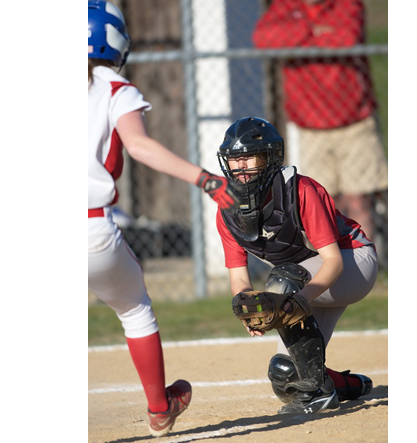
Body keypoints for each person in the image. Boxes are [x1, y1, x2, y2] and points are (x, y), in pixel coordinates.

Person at [88, 1, 239, 437]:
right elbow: (140, 148)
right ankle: (159, 407)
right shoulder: (114, 87)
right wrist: (205, 180)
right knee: (134, 308)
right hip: (89, 228)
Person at [215, 116, 378, 414]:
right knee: (286, 376)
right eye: (236, 158)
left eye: (250, 156)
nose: (242, 166)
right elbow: (239, 278)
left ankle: (316, 393)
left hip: (353, 262)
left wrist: (300, 300)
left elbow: (332, 261)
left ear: (270, 157)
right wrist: (246, 308)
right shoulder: (227, 212)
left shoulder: (299, 190)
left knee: (283, 282)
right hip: (306, 277)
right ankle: (344, 386)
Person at [252, 0, 388, 242]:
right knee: (321, 204)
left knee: (359, 201)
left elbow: (346, 38)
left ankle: (366, 266)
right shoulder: (285, 6)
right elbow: (264, 39)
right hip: (310, 125)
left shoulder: (346, 4)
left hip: (353, 119)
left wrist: (295, 37)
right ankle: (334, 268)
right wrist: (315, 28)